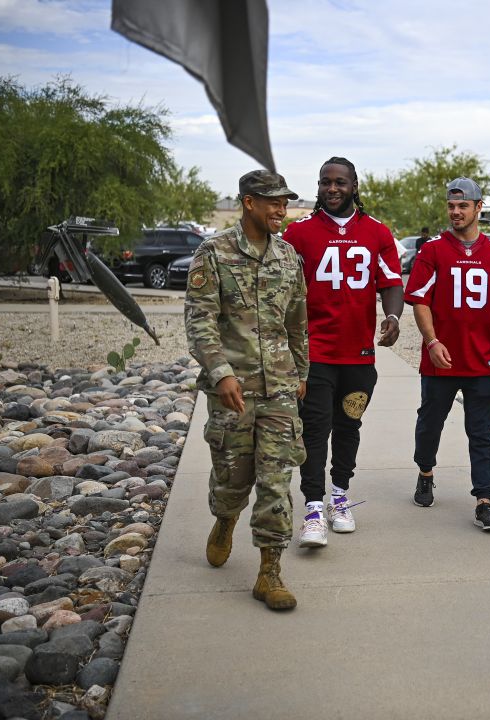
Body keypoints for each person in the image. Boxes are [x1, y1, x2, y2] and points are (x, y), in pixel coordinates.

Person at [185, 169, 308, 611]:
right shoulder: (212, 253)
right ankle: (225, 518)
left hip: (278, 388)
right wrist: (221, 373)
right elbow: (199, 319)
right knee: (232, 479)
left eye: (285, 201)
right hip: (231, 391)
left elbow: (297, 320)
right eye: (273, 202)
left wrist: (302, 373)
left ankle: (269, 571)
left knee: (276, 480)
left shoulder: (289, 257)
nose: (282, 210)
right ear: (248, 202)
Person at [281, 156, 405, 548]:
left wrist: (393, 316)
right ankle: (314, 508)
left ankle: (339, 495)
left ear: (354, 186)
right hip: (314, 352)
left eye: (339, 182)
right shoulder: (298, 233)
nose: (332, 189)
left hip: (358, 354)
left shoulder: (377, 232)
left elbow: (390, 283)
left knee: (349, 426)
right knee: (315, 430)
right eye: (325, 182)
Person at [404, 178, 490, 530]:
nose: (456, 212)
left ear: (478, 208)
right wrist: (432, 342)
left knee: (482, 432)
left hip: (481, 359)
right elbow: (420, 300)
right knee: (430, 424)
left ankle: (484, 500)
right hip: (442, 359)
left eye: (463, 206)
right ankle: (425, 470)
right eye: (451, 206)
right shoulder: (433, 250)